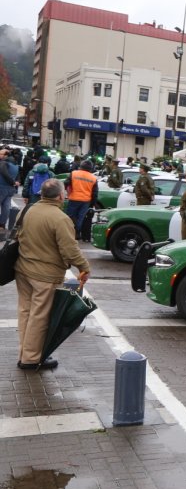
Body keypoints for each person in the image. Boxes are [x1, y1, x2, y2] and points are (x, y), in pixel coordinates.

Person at [15, 179, 91, 370]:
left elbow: (17, 235)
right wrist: (84, 268)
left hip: (22, 269)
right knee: (39, 316)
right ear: (60, 196)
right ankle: (31, 359)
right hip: (45, 275)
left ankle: (25, 352)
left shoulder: (27, 210)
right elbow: (70, 250)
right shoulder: (60, 218)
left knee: (26, 311)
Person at [63, 160, 99, 239]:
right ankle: (77, 233)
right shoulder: (93, 178)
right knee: (81, 218)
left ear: (81, 166)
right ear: (90, 168)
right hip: (85, 201)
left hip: (73, 198)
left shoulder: (74, 173)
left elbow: (66, 183)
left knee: (71, 216)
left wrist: (66, 192)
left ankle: (70, 232)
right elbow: (95, 193)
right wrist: (92, 203)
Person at [0, 147, 19, 240]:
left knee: (5, 206)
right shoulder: (15, 164)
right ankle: (2, 225)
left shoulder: (4, 163)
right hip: (10, 189)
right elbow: (18, 176)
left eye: (1, 154)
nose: (0, 156)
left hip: (2, 187)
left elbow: (4, 173)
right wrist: (15, 182)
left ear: (6, 155)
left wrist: (12, 181)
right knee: (6, 207)